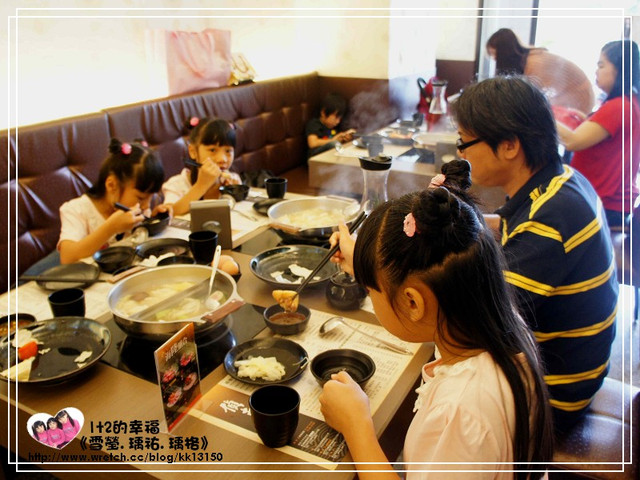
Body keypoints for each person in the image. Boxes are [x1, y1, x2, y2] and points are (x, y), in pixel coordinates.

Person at [322, 161, 553, 479]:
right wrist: (365, 264)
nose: (371, 296)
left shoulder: (459, 413)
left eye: (373, 291)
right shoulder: (494, 322)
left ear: (413, 303)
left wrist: (356, 426)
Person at [450, 75, 618, 435]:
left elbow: (482, 317)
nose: (461, 154)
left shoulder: (552, 219)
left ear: (509, 145)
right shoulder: (561, 181)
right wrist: (454, 219)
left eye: (465, 142)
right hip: (573, 367)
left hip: (554, 396)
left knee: (442, 363)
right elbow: (511, 227)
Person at [557, 40, 640, 228]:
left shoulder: (618, 107)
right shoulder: (631, 103)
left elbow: (572, 141)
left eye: (601, 65)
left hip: (602, 203)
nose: (596, 71)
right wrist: (587, 120)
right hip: (612, 202)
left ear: (620, 70)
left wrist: (542, 112)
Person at [57, 138, 168, 264]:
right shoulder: (76, 210)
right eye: (141, 198)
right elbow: (67, 257)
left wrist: (154, 219)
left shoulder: (138, 208)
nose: (146, 205)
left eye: (151, 197)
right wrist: (111, 228)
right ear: (111, 185)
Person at [486, 28, 595, 115]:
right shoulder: (528, 60)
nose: (494, 59)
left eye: (495, 55)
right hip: (568, 101)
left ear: (504, 54)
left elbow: (535, 100)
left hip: (579, 102)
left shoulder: (534, 63)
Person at [162, 117, 242, 215]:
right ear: (193, 151)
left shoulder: (231, 180)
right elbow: (170, 214)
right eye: (212, 150)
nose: (222, 159)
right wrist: (201, 185)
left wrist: (237, 192)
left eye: (228, 151)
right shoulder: (177, 185)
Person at [306, 93, 355, 158]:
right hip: (315, 157)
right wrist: (333, 140)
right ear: (323, 113)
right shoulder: (314, 124)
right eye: (336, 117)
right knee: (333, 144)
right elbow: (312, 143)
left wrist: (345, 139)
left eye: (340, 118)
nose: (338, 121)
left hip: (331, 156)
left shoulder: (336, 127)